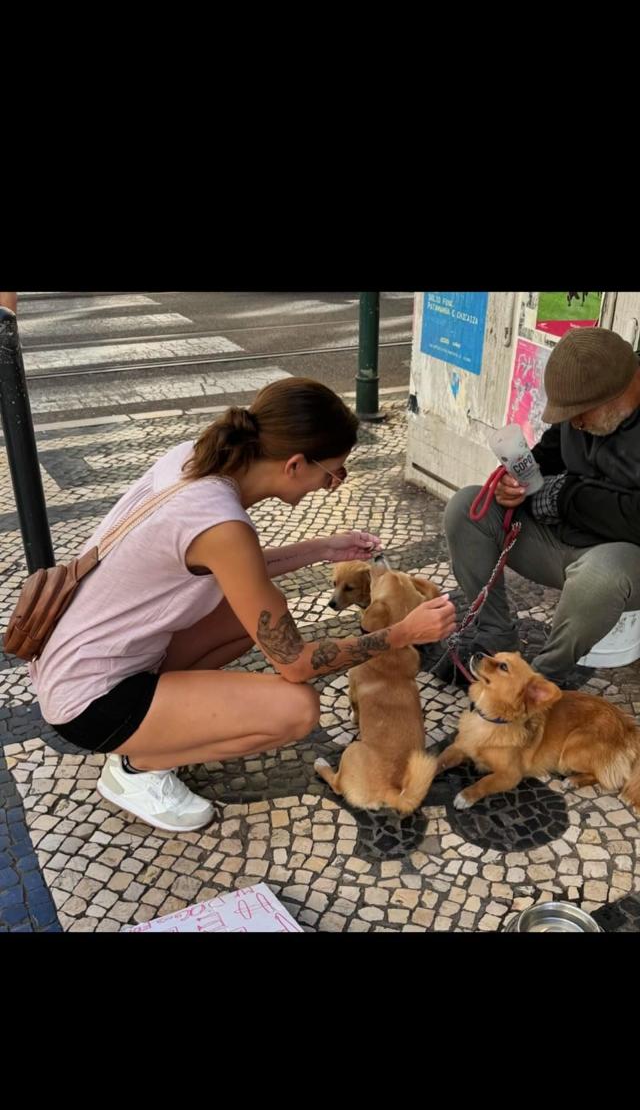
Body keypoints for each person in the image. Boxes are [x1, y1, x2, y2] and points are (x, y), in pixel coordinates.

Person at [30, 377, 456, 832]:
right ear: (294, 464)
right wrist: (401, 634)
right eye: (333, 473)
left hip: (74, 658)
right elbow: (295, 664)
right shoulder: (223, 525)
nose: (334, 486)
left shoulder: (195, 460)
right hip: (89, 701)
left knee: (249, 613)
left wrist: (322, 548)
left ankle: (163, 721)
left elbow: (235, 569)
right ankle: (137, 767)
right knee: (295, 710)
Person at [438, 328, 640, 687]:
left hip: (619, 561)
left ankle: (540, 682)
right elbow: (546, 458)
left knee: (600, 576)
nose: (574, 422)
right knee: (466, 507)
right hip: (561, 542)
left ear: (619, 392)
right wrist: (517, 483)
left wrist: (565, 496)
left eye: (580, 413)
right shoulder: (582, 411)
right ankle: (495, 640)